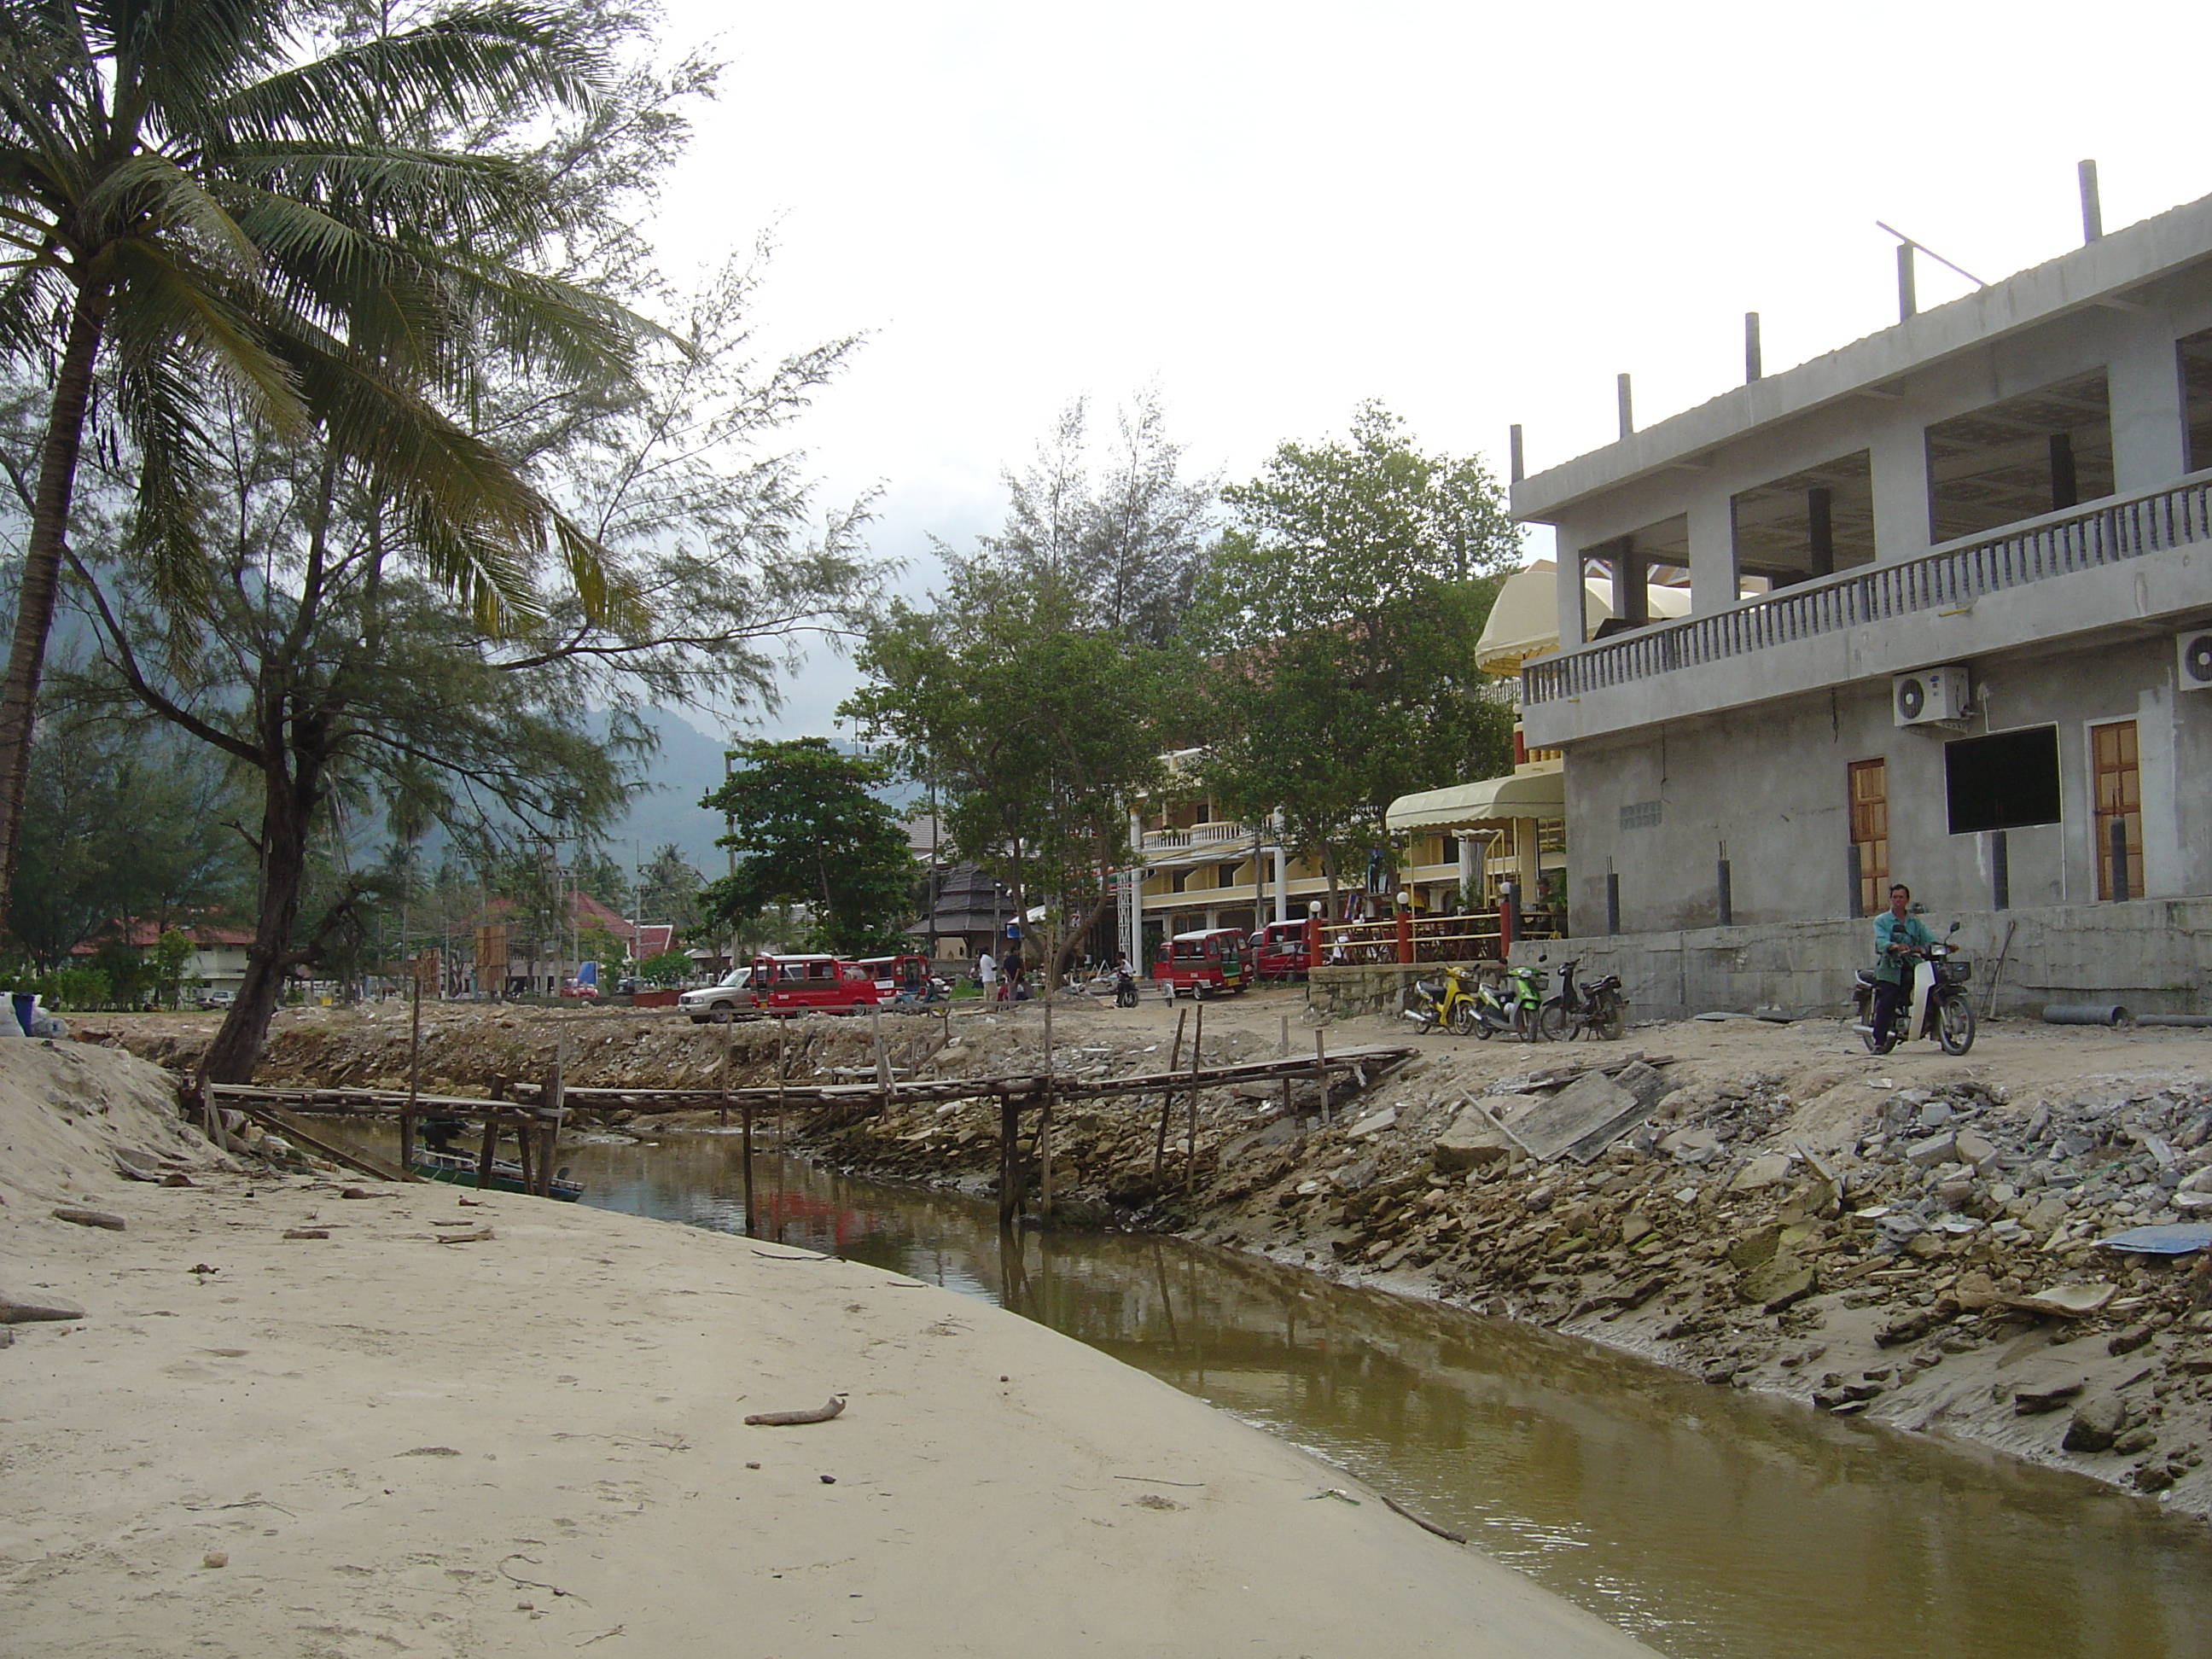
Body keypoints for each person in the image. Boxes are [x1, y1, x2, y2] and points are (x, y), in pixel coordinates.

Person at [1869, 882, 1936, 1047]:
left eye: (1901, 897)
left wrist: (1940, 946)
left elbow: (1927, 937)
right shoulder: (1882, 920)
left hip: (1913, 963)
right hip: (1891, 966)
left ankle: (1940, 1033)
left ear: (1907, 900)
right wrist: (1894, 946)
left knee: (1933, 988)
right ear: (1891, 899)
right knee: (1889, 998)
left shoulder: (1914, 922)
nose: (1898, 900)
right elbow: (1881, 940)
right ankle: (1879, 1041)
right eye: (1895, 897)